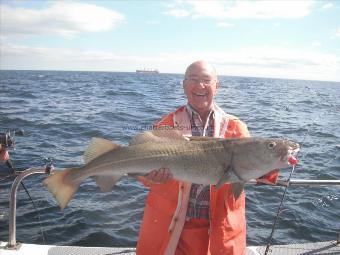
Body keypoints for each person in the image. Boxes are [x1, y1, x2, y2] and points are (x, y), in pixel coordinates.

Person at [136, 60, 278, 255]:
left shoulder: (237, 128)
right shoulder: (165, 126)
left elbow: (255, 170)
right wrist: (149, 177)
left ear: (216, 86)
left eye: (206, 80)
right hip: (172, 231)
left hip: (220, 230)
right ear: (184, 85)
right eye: (193, 79)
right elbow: (142, 173)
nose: (200, 85)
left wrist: (276, 161)